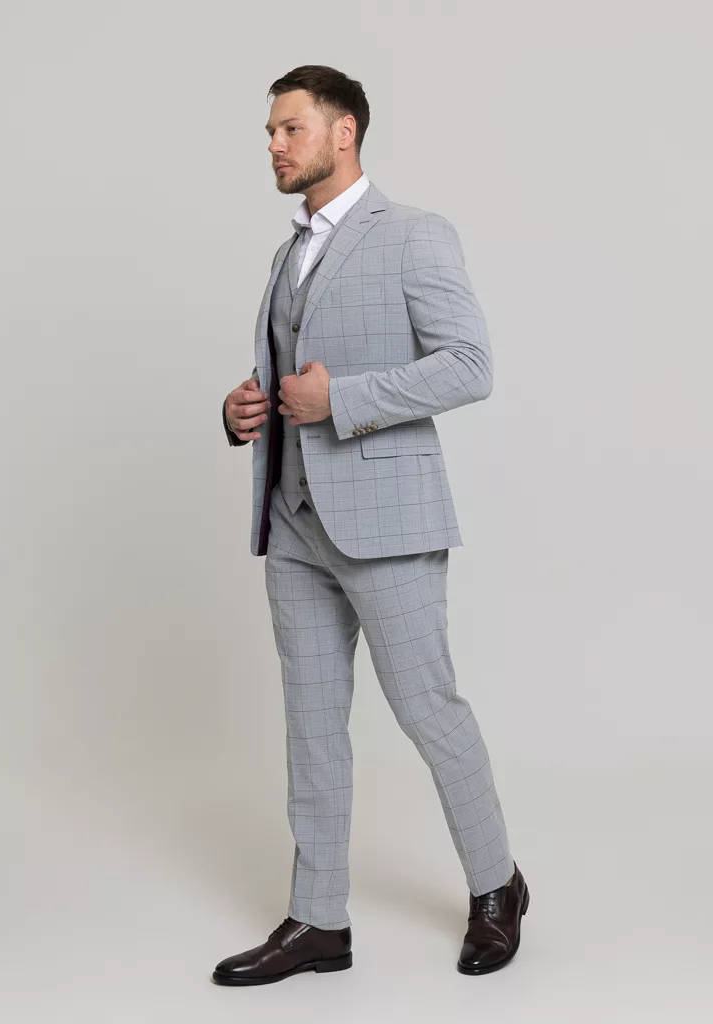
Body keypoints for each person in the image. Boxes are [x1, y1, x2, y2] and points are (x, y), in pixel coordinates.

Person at [214, 64, 529, 986]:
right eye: (270, 132)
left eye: (290, 128)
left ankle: (497, 886)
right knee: (312, 727)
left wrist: (340, 400)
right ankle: (319, 920)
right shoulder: (289, 254)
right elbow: (289, 377)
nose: (274, 145)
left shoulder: (413, 235)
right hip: (294, 524)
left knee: (428, 709)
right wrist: (245, 409)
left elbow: (469, 364)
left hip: (386, 522)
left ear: (343, 131)